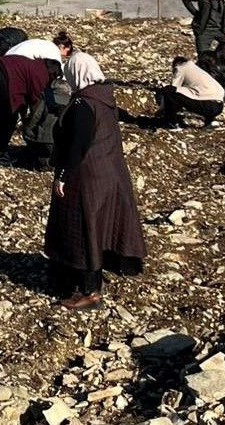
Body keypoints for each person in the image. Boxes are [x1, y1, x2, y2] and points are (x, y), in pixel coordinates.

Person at [44, 54, 146, 310]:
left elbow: (77, 144)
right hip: (111, 172)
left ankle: (89, 291)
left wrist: (63, 174)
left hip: (87, 175)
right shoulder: (104, 97)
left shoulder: (82, 103)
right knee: (99, 227)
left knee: (83, 229)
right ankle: (90, 281)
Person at [0, 54, 56, 165]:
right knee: (9, 116)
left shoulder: (35, 65)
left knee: (4, 110)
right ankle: (0, 153)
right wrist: (29, 125)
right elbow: (34, 100)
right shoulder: (42, 75)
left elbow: (26, 97)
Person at [157, 53, 225, 129]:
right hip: (219, 106)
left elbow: (173, 88)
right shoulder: (196, 69)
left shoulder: (180, 68)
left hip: (207, 105)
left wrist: (161, 109)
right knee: (201, 94)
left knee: (169, 91)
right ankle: (211, 121)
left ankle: (172, 123)